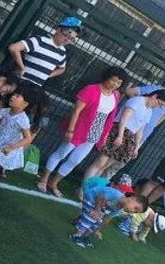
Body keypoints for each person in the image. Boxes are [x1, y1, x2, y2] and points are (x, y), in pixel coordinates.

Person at [37, 66, 126, 198]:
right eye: (113, 80)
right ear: (106, 77)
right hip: (79, 129)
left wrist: (104, 136)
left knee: (75, 160)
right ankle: (44, 179)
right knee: (61, 153)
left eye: (119, 83)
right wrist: (70, 130)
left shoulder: (116, 95)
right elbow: (76, 110)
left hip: (95, 133)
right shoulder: (91, 89)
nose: (115, 84)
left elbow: (110, 118)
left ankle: (54, 183)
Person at [101, 79, 165, 178]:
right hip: (127, 130)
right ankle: (94, 181)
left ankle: (101, 184)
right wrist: (135, 111)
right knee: (105, 160)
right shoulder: (154, 89)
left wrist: (151, 126)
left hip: (141, 137)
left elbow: (163, 116)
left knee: (118, 164)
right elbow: (130, 92)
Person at [83, 89, 165, 180]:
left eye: (161, 106)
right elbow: (124, 118)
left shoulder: (149, 111)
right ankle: (84, 186)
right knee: (100, 162)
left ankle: (91, 186)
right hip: (118, 130)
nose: (157, 107)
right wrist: (120, 136)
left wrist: (136, 147)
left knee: (105, 166)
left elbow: (140, 130)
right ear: (154, 96)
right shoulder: (137, 100)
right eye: (159, 103)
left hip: (129, 137)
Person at [0, 84, 47, 171]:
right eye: (14, 94)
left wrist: (11, 147)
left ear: (25, 103)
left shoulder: (22, 119)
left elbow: (28, 138)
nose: (13, 97)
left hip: (7, 147)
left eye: (17, 96)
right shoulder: (4, 111)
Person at [7, 16, 80, 85]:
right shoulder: (40, 40)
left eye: (71, 39)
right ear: (58, 30)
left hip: (35, 87)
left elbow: (62, 68)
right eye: (67, 36)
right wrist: (21, 67)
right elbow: (14, 48)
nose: (67, 40)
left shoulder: (62, 52)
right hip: (20, 82)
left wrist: (47, 75)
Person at [71, 184, 148, 248]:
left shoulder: (119, 208)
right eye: (135, 208)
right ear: (132, 199)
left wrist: (98, 230)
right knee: (91, 218)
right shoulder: (117, 195)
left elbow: (107, 218)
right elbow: (99, 196)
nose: (132, 211)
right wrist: (97, 211)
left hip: (98, 204)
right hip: (91, 196)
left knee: (99, 221)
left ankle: (84, 236)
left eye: (135, 212)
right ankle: (76, 235)